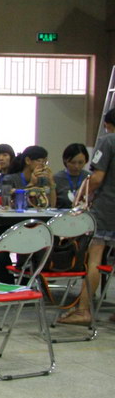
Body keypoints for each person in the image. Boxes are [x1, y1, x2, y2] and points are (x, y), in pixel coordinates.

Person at [57, 110, 115, 325]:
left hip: (107, 209)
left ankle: (83, 310)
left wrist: (82, 194)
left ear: (108, 124)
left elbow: (97, 178)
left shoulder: (108, 141)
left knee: (95, 258)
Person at [54, 143, 89, 209]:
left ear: (86, 161)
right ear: (65, 161)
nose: (76, 166)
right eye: (73, 162)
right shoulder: (56, 178)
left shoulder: (90, 178)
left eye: (81, 162)